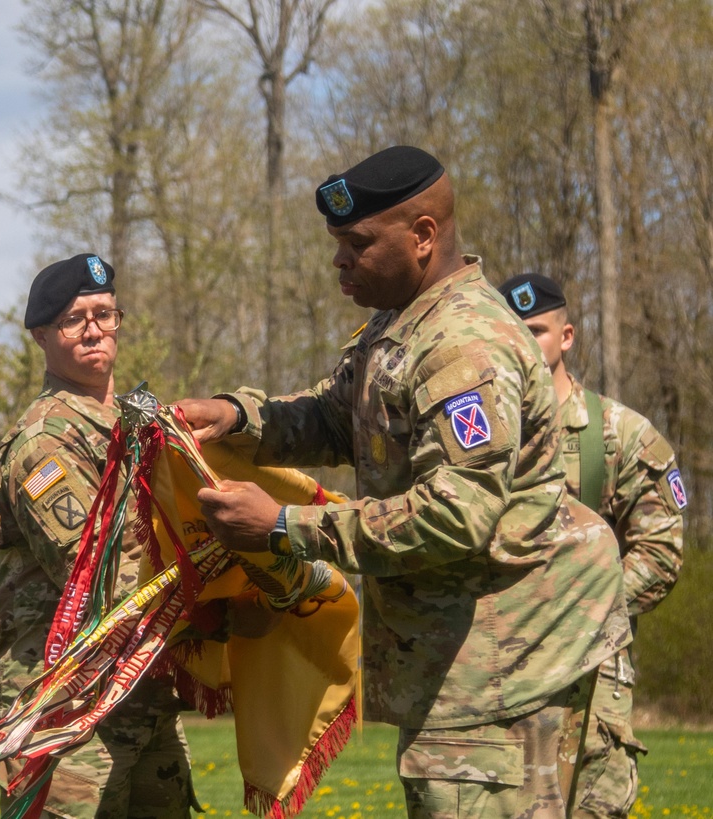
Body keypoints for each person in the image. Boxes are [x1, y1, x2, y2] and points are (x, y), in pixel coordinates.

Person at [176, 146, 632, 817]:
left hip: (507, 671)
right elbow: (337, 417)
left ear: (423, 236)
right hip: (461, 664)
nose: (338, 260)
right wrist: (240, 416)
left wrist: (284, 526)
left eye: (357, 244)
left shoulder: (464, 347)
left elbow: (455, 515)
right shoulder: (401, 323)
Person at [0, 253, 196, 818]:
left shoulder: (138, 424)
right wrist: (211, 600)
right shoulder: (45, 442)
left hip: (141, 690)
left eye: (105, 313)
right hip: (65, 706)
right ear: (41, 335)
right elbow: (95, 572)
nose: (95, 329)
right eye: (75, 319)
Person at [499, 273, 687, 819]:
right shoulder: (477, 437)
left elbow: (658, 554)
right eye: (512, 330)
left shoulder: (620, 434)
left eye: (535, 329)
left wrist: (574, 614)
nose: (523, 342)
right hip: (494, 679)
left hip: (590, 681)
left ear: (567, 337)